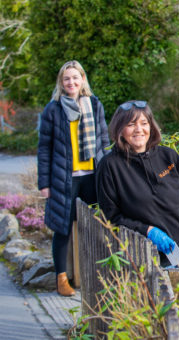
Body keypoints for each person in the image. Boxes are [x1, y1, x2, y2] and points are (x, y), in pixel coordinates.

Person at [96, 100, 179, 269]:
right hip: (150, 258)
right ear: (120, 129)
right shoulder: (110, 166)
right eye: (131, 124)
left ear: (151, 127)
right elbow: (111, 217)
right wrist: (147, 231)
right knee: (168, 294)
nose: (139, 129)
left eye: (144, 123)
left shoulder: (168, 157)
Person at [38, 60, 110, 296]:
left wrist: (108, 174)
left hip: (91, 176)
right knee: (63, 228)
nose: (71, 82)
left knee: (98, 226)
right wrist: (45, 184)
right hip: (63, 179)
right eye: (66, 78)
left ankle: (99, 276)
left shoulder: (95, 105)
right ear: (61, 82)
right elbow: (44, 148)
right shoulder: (53, 109)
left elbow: (103, 142)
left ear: (82, 80)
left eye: (75, 78)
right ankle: (62, 280)